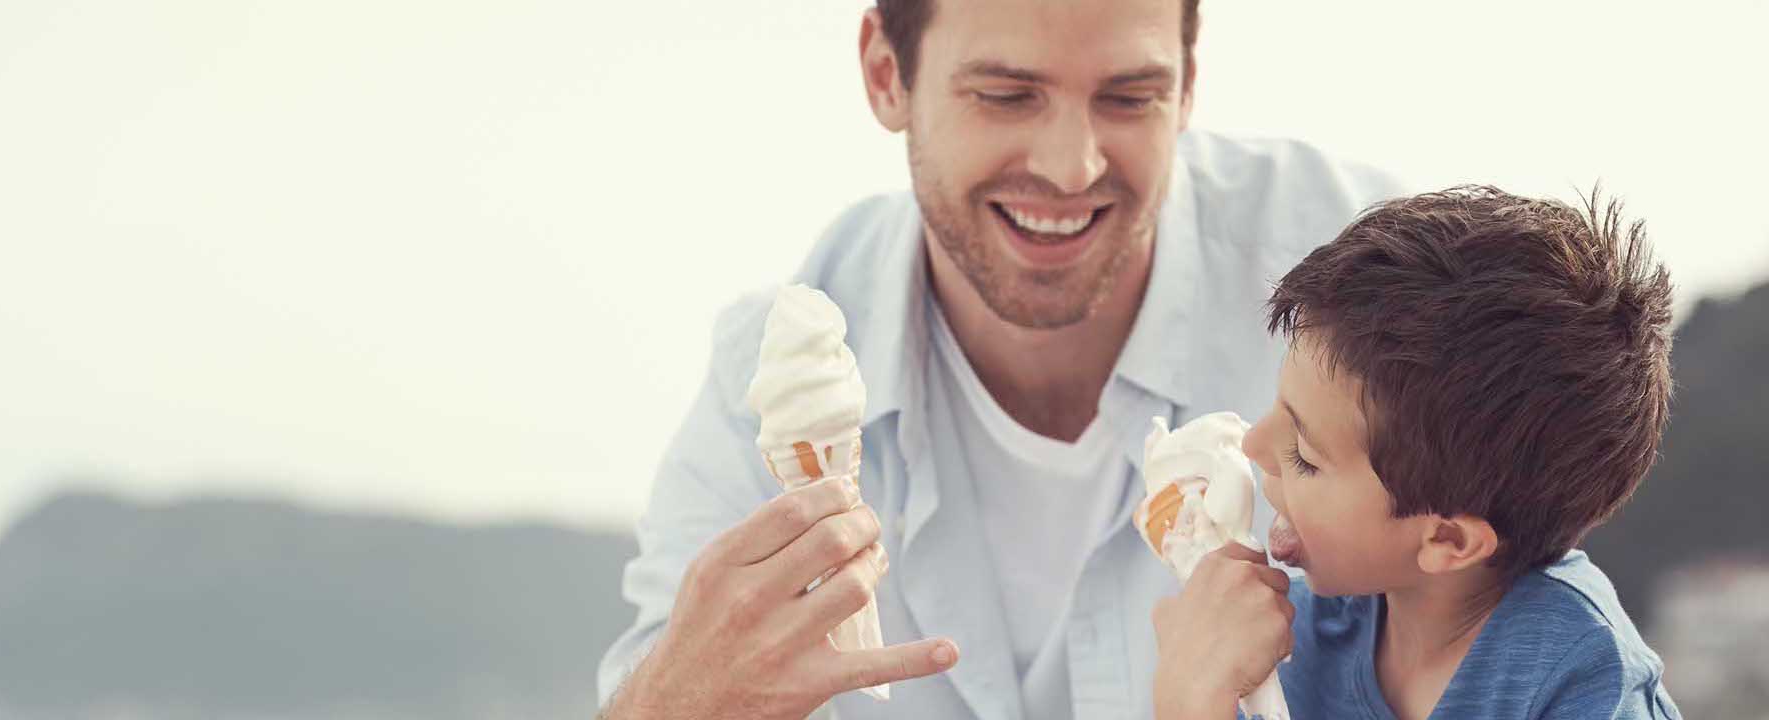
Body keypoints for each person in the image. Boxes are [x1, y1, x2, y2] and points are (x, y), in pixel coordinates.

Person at [597, 1, 1404, 718]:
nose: (1069, 167)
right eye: (1006, 95)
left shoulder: (1373, 280)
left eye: (1129, 97)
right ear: (886, 74)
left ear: (1188, 83)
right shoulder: (765, 383)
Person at [1152, 186, 1682, 719]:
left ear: (1448, 539)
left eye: (1305, 456)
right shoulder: (1290, 635)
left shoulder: (1585, 686)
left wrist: (1188, 703)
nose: (1252, 446)